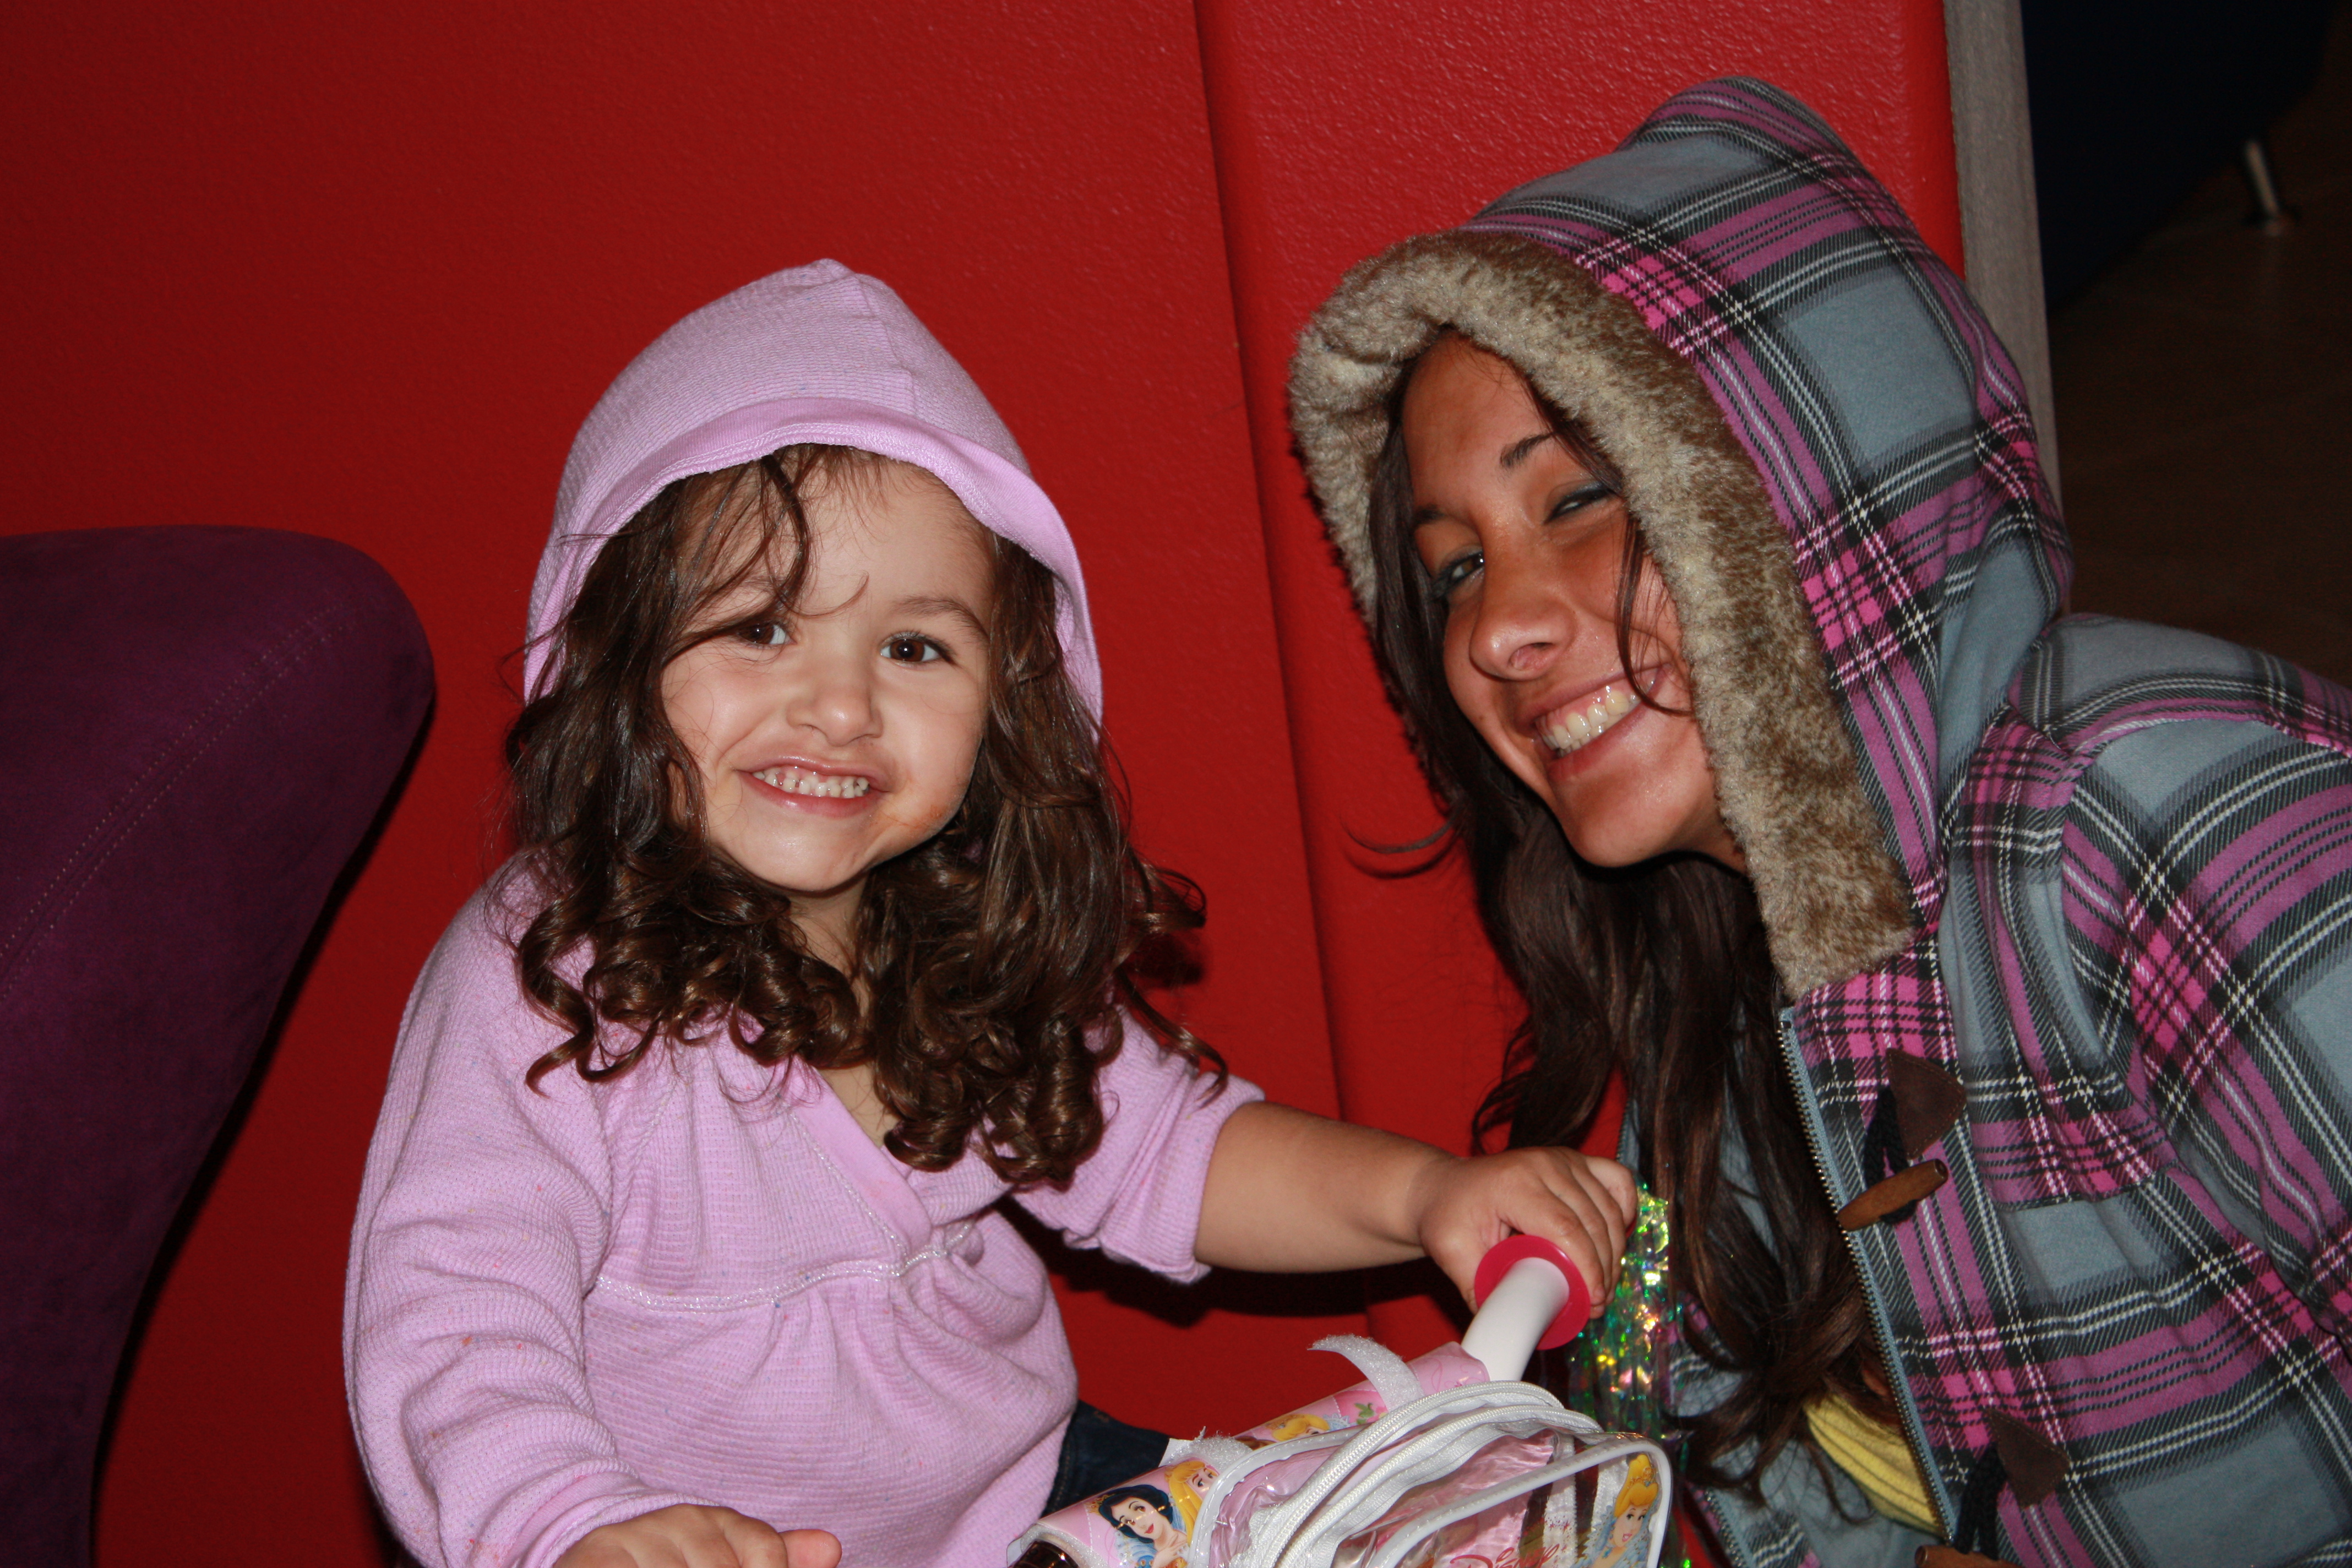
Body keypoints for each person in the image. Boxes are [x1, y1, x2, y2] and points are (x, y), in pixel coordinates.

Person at [345, 262, 1639, 1568]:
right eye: (761, 626)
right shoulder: (548, 977)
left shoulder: (959, 936)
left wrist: (1428, 1194)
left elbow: (1169, 1155)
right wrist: (567, 1528)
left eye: (915, 648)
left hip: (1038, 1508)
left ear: (1003, 704)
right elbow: (456, 1312)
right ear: (617, 650)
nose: (840, 705)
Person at [1287, 79, 2352, 1568]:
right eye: (1454, 568)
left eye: (1582, 499)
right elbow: (1742, 1445)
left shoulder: (2161, 810)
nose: (1499, 629)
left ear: (1798, 498)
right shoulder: (1713, 995)